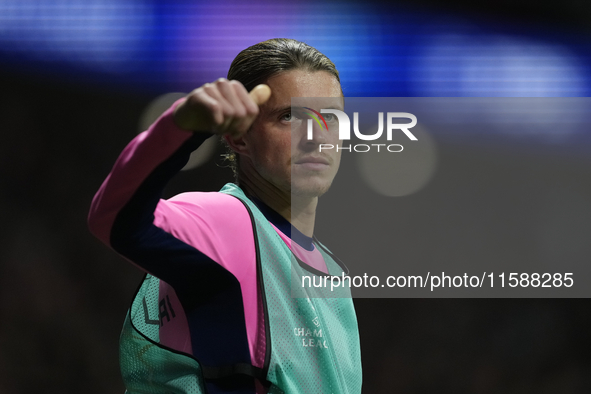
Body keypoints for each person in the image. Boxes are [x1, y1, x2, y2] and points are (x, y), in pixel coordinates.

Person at [88, 38, 362, 394]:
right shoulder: (227, 222)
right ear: (239, 138)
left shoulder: (333, 273)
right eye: (289, 116)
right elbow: (113, 218)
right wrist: (182, 125)